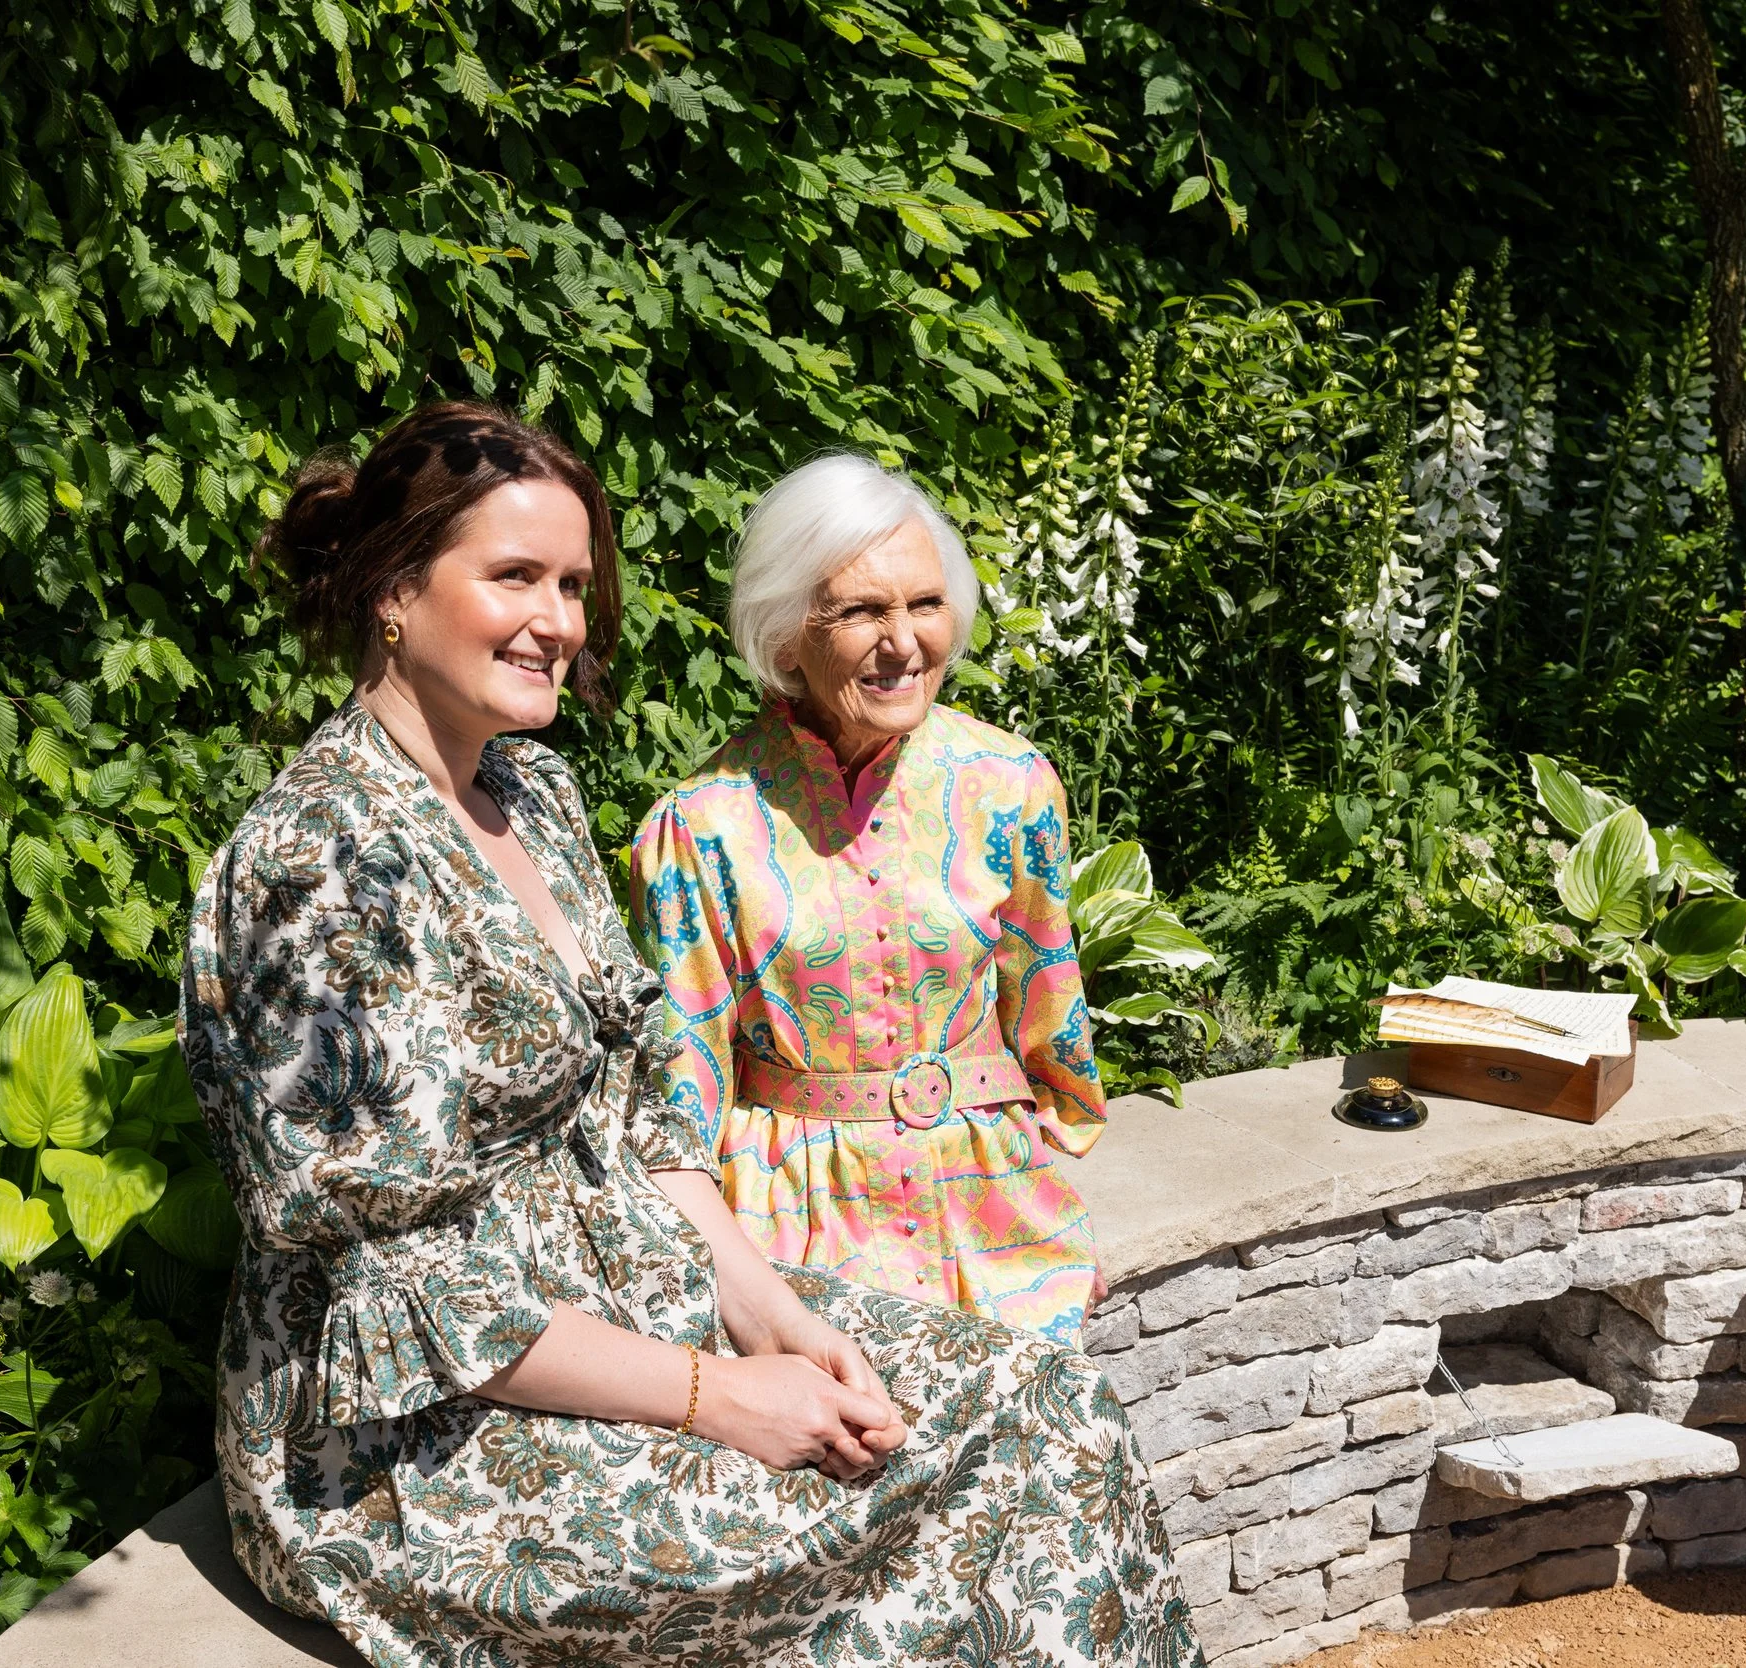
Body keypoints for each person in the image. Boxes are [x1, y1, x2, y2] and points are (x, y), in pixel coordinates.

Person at [179, 404, 1200, 1668]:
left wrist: (773, 1316)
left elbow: (636, 1110)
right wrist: (726, 1398)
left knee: (1052, 1406)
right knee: (909, 1510)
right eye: (515, 578)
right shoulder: (324, 870)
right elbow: (417, 1301)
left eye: (570, 584)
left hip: (630, 1301)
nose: (558, 621)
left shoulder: (525, 792)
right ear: (393, 589)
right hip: (419, 1441)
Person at [630, 454, 1109, 1348]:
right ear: (786, 633)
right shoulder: (697, 829)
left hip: (995, 1214)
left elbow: (1051, 1010)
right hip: (793, 1225)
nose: (904, 642)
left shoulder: (1009, 785)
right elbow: (681, 1088)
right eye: (861, 611)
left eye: (925, 605)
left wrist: (1052, 1187)